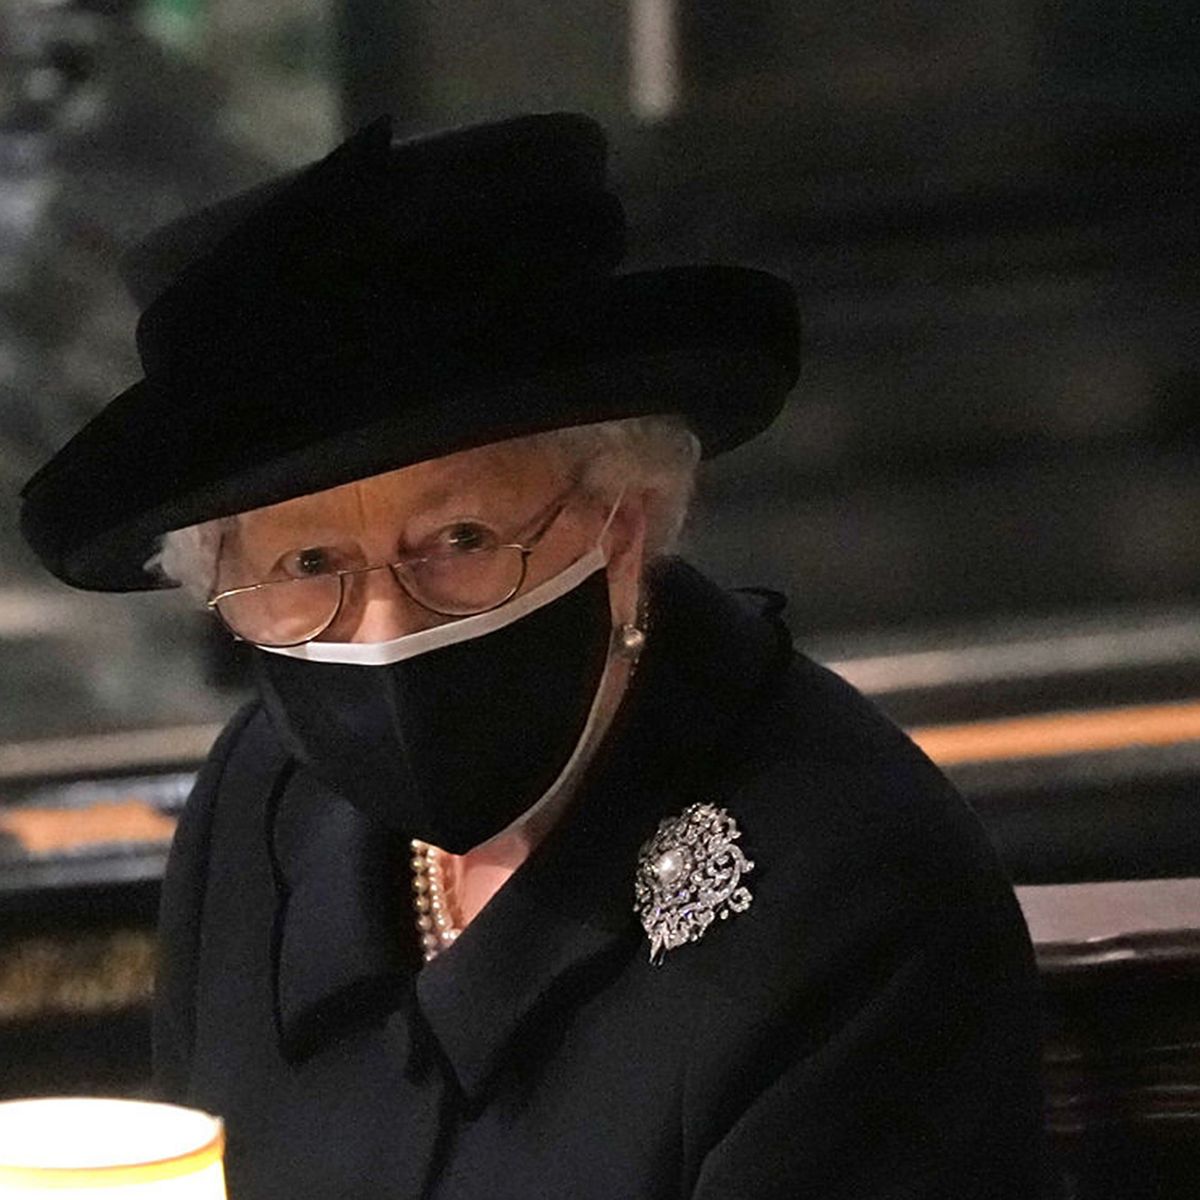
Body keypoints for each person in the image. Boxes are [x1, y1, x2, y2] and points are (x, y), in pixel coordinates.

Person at [19, 114, 1047, 1198]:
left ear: (623, 528)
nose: (382, 626)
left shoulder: (851, 894)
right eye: (308, 563)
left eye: (460, 540)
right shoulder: (262, 796)